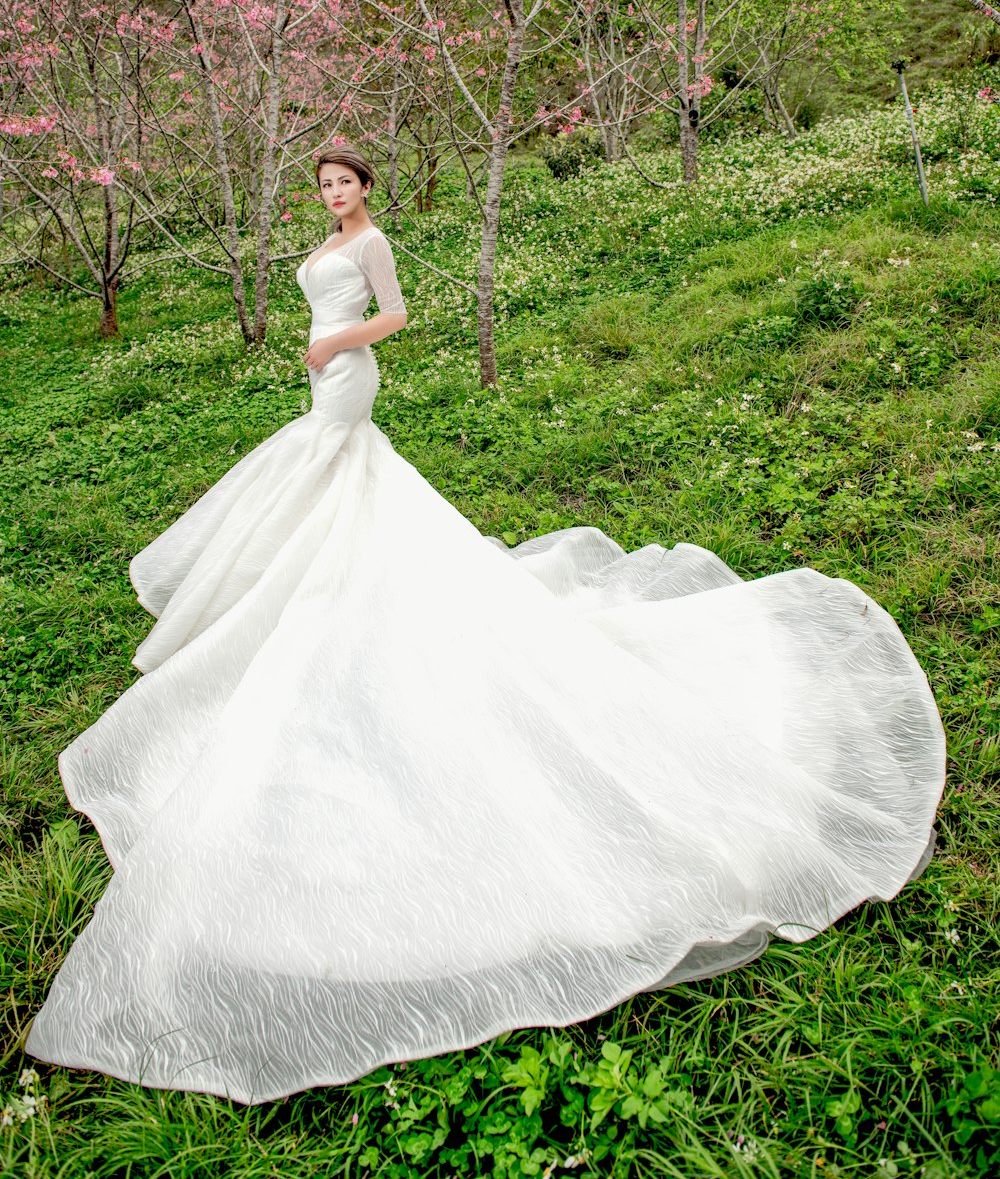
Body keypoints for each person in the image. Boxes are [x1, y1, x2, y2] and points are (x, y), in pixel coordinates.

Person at [24, 143, 946, 1106]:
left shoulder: (374, 241)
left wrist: (339, 346)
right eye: (326, 186)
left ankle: (340, 589)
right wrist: (321, 341)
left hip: (346, 378)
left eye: (347, 184)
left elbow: (396, 314)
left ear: (368, 189)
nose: (336, 195)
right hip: (324, 377)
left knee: (338, 476)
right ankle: (305, 589)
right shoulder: (328, 237)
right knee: (324, 482)